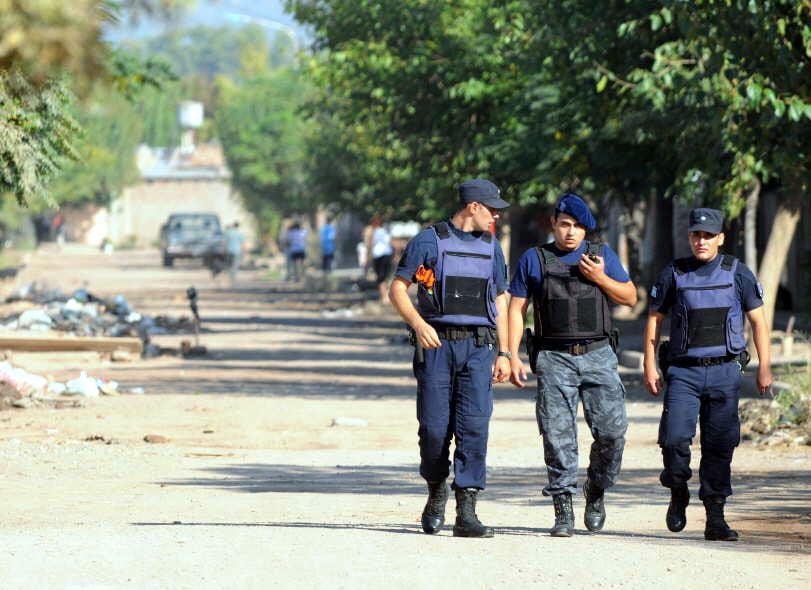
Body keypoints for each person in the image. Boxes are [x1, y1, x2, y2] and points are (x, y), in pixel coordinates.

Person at [507, 193, 637, 537]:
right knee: (557, 435)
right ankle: (562, 508)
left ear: (586, 230)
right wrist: (511, 353)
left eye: (578, 226)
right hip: (553, 357)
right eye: (565, 224)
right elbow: (516, 309)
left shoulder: (601, 256)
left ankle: (595, 489)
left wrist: (600, 278)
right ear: (554, 224)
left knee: (613, 433)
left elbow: (630, 296)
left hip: (597, 354)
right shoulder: (534, 259)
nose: (570, 232)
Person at [389, 178, 512, 538]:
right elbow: (397, 288)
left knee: (474, 426)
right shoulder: (430, 240)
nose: (497, 217)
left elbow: (501, 300)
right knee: (433, 428)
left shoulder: (493, 247)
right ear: (473, 207)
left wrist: (505, 352)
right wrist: (417, 322)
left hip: (479, 347)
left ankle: (467, 512)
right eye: (493, 210)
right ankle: (436, 489)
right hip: (437, 347)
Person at [643, 207, 773, 541]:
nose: (701, 241)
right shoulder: (675, 272)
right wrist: (648, 363)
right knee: (673, 440)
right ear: (689, 237)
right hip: (683, 372)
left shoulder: (737, 272)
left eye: (708, 235)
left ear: (720, 238)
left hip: (724, 372)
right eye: (696, 235)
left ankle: (716, 519)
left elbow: (758, 322)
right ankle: (677, 488)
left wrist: (764, 368)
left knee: (719, 446)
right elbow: (655, 318)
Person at [367, 216, 394, 304]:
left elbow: (371, 244)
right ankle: (388, 296)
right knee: (387, 276)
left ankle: (384, 297)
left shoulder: (373, 232)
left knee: (380, 277)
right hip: (387, 254)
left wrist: (368, 256)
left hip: (378, 255)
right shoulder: (385, 231)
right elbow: (391, 242)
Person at [224, 222, 245, 286]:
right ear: (238, 226)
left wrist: (224, 250)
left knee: (229, 264)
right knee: (235, 265)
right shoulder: (240, 234)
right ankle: (233, 278)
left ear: (233, 226)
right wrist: (244, 251)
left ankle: (230, 276)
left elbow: (225, 242)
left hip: (229, 251)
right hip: (237, 251)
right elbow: (242, 244)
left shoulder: (228, 233)